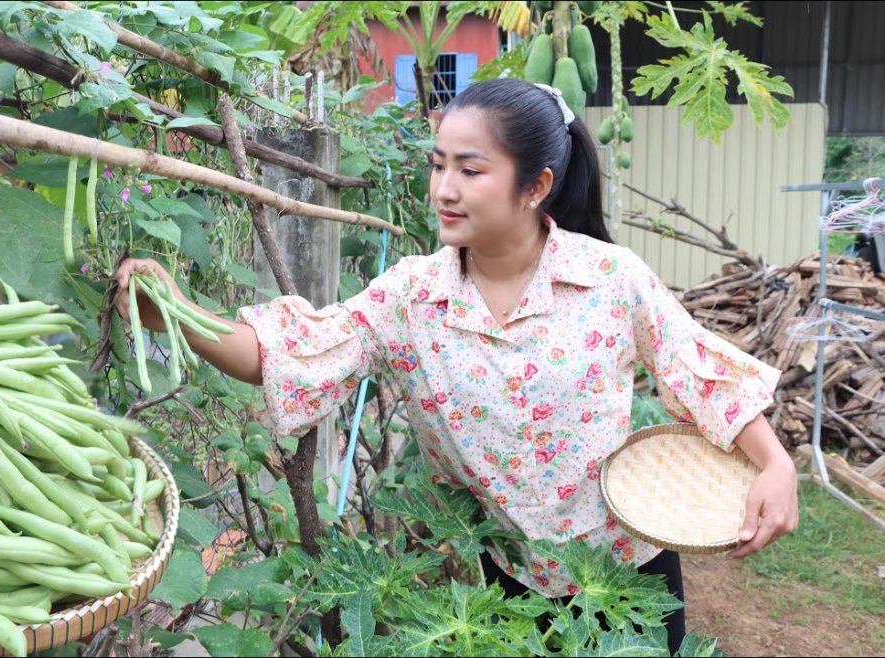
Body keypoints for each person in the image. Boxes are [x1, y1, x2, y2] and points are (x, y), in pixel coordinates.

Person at [114, 78, 799, 653]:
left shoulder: (612, 279)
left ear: (536, 187)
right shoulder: (412, 296)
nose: (444, 187)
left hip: (627, 576)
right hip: (503, 580)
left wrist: (775, 464)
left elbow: (696, 370)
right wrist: (178, 312)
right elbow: (288, 352)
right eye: (438, 164)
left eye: (470, 170)